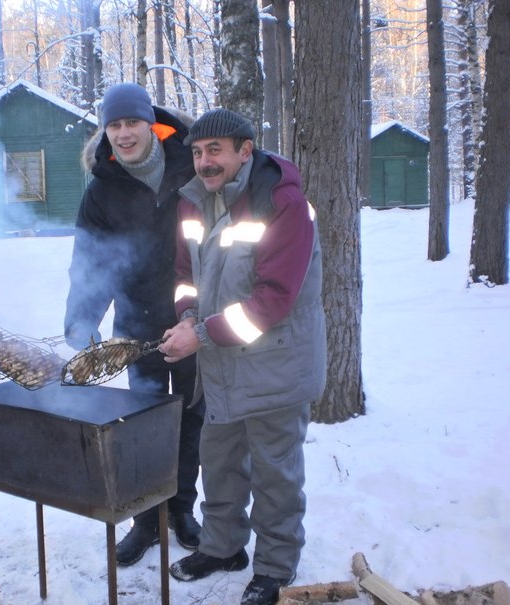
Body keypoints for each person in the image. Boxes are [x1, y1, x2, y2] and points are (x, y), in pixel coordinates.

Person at [159, 108, 326, 605]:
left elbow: (274, 300)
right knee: (220, 461)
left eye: (215, 150)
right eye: (197, 152)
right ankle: (222, 547)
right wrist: (188, 315)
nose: (204, 162)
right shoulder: (194, 200)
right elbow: (185, 275)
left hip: (276, 362)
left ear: (245, 150)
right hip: (221, 362)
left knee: (276, 472)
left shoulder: (282, 203)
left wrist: (200, 335)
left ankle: (274, 567)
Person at [63, 82, 205, 566]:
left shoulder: (190, 165)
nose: (124, 134)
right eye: (115, 125)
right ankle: (145, 520)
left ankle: (181, 510)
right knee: (141, 424)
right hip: (137, 326)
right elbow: (90, 262)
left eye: (132, 123)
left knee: (190, 420)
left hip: (192, 321)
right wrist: (82, 319)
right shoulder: (102, 188)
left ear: (151, 124)